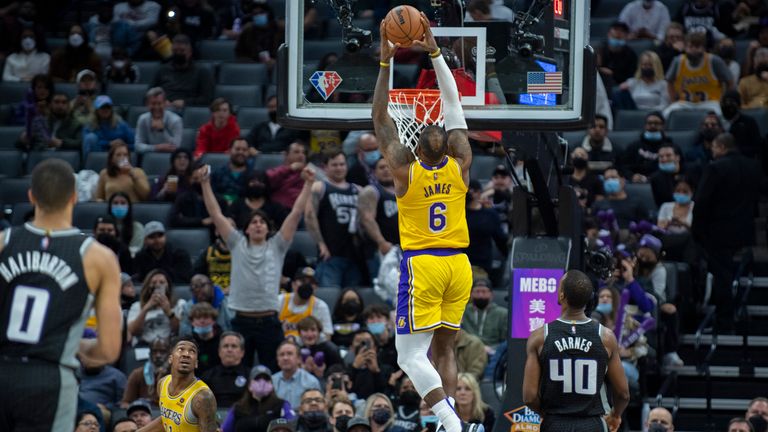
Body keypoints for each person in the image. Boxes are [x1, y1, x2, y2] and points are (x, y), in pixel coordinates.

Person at [373, 16, 477, 432]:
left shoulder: (405, 170)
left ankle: (450, 423)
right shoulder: (461, 164)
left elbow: (380, 119)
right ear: (449, 144)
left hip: (425, 266)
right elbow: (453, 105)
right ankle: (452, 420)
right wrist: (434, 51)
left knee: (409, 355)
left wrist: (386, 62)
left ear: (413, 146)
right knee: (446, 347)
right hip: (460, 267)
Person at [0, 159, 121, 431]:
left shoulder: (3, 242)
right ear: (75, 197)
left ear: (31, 196)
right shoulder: (98, 257)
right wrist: (77, 346)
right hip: (50, 379)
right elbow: (110, 349)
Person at [198, 156, 316, 371]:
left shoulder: (277, 245)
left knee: (275, 373)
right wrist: (205, 183)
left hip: (269, 322)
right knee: (237, 372)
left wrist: (308, 184)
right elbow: (215, 214)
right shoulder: (236, 243)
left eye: (262, 222)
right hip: (240, 321)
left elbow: (296, 212)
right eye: (254, 222)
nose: (258, 225)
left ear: (268, 228)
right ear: (247, 229)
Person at [522, 270, 630, 432]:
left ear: (561, 296)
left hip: (555, 422)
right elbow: (623, 394)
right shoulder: (606, 337)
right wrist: (615, 415)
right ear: (589, 299)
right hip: (592, 423)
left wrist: (545, 414)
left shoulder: (540, 337)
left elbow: (529, 397)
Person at [692, 133, 761, 333]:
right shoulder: (754, 167)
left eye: (714, 147)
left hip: (718, 233)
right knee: (735, 273)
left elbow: (702, 202)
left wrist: (697, 232)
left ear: (721, 146)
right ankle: (737, 314)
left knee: (723, 277)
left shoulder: (715, 168)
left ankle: (725, 322)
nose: (712, 151)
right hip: (745, 231)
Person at [305, 150, 363, 287]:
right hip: (330, 254)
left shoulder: (358, 190)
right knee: (330, 296)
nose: (339, 168)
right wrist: (321, 244)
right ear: (325, 167)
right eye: (334, 165)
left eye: (342, 164)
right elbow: (309, 216)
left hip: (356, 256)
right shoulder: (320, 187)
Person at [137, 337, 218, 431]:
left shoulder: (203, 397)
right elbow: (166, 420)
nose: (186, 355)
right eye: (181, 349)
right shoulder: (162, 383)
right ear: (170, 359)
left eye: (192, 351)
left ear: (196, 363)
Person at [664, 32, 734, 118]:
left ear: (703, 48)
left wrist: (724, 100)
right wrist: (673, 100)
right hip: (685, 103)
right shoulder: (678, 61)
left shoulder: (714, 61)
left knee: (721, 115)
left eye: (697, 47)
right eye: (690, 47)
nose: (693, 50)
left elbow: (730, 81)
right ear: (685, 48)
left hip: (710, 102)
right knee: (666, 114)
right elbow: (669, 82)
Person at [358, 157, 400, 279]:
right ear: (374, 172)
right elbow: (367, 219)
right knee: (385, 289)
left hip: (401, 249)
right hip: (381, 250)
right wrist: (381, 242)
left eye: (389, 167)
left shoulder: (403, 191)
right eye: (381, 167)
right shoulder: (371, 191)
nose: (386, 170)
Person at [220, 364, 295, 432]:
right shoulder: (238, 408)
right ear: (249, 385)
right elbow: (225, 429)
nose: (262, 382)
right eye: (257, 379)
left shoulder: (281, 405)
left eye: (266, 379)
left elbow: (293, 426)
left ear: (272, 384)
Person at [150, 34, 214, 110]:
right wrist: (161, 101)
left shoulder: (202, 71)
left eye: (182, 51)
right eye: (175, 51)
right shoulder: (162, 70)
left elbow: (207, 99)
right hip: (164, 109)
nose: (178, 53)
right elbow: (149, 94)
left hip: (189, 110)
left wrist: (186, 102)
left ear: (190, 52)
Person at [127, 269, 179, 345]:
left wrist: (168, 311)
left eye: (162, 282)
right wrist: (146, 309)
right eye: (154, 282)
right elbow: (133, 331)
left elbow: (179, 330)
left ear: (168, 286)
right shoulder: (136, 306)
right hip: (143, 345)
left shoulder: (179, 304)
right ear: (147, 287)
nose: (157, 285)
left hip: (168, 346)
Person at [279, 267, 334, 339]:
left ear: (316, 288)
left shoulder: (320, 306)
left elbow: (327, 336)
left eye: (311, 283)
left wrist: (296, 340)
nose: (307, 285)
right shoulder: (280, 300)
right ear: (293, 284)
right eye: (303, 281)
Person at [200, 331, 249, 408]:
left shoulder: (250, 375)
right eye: (226, 346)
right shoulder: (207, 376)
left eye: (234, 346)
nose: (229, 350)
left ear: (242, 352)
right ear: (219, 351)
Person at [461, 278, 508, 352]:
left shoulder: (502, 314)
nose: (480, 295)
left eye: (484, 292)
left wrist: (490, 349)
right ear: (471, 294)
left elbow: (505, 341)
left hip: (493, 351)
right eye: (477, 291)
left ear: (491, 294)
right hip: (467, 350)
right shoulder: (463, 312)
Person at [121, 337, 170, 407]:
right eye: (154, 351)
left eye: (162, 352)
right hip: (144, 414)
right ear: (149, 353)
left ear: (169, 354)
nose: (158, 355)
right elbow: (125, 403)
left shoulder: (176, 375)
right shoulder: (137, 374)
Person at [273, 340, 322, 408]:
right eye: (282, 355)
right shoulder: (271, 382)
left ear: (299, 359)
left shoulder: (311, 382)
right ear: (277, 359)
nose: (285, 358)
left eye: (289, 354)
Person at [135, 87, 183, 154]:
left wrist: (162, 131)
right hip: (149, 157)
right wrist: (156, 147)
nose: (156, 107)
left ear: (165, 104)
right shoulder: (143, 119)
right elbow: (137, 146)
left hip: (170, 157)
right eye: (153, 103)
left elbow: (176, 147)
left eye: (159, 103)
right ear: (147, 104)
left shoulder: (176, 120)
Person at [267, 141, 310, 210]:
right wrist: (290, 168)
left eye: (303, 153)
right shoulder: (280, 170)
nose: (301, 155)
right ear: (286, 155)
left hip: (303, 211)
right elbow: (266, 179)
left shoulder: (310, 172)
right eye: (296, 152)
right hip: (281, 210)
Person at [210, 137, 254, 205]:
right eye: (237, 149)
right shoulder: (217, 173)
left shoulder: (254, 175)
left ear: (248, 152)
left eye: (244, 150)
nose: (241, 152)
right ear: (229, 151)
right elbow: (211, 195)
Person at [597, 22, 638, 89]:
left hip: (621, 86)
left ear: (626, 37)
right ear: (609, 34)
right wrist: (601, 70)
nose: (618, 32)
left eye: (619, 38)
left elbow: (632, 76)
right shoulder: (600, 50)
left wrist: (612, 74)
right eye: (614, 37)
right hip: (601, 83)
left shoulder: (631, 54)